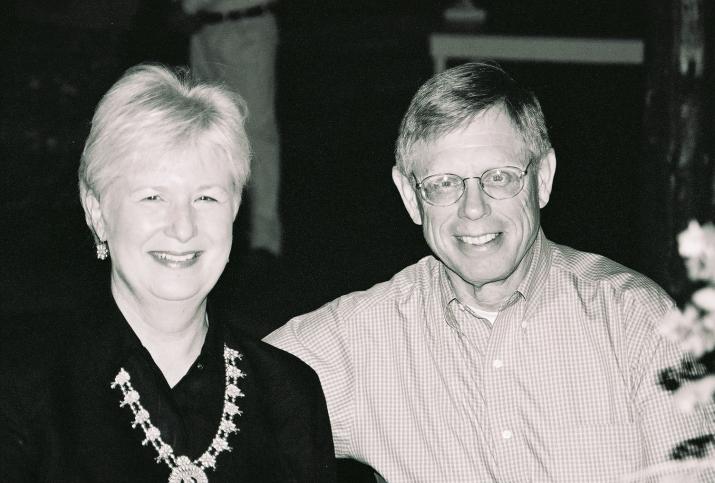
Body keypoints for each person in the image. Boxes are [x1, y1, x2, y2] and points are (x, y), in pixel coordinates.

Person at [265, 62, 715, 482]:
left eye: (499, 177)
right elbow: (212, 401)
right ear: (409, 196)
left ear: (543, 178)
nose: (473, 208)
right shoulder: (362, 337)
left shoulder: (637, 321)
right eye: (443, 184)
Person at [0, 64, 335, 482]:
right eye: (153, 196)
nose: (183, 227)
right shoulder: (21, 385)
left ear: (234, 210)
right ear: (97, 212)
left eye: (207, 198)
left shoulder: (288, 392)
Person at [179, 0, 283, 260]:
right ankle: (213, 229)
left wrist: (186, 8)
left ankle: (265, 240)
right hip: (204, 30)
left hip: (245, 28)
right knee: (208, 129)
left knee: (256, 132)